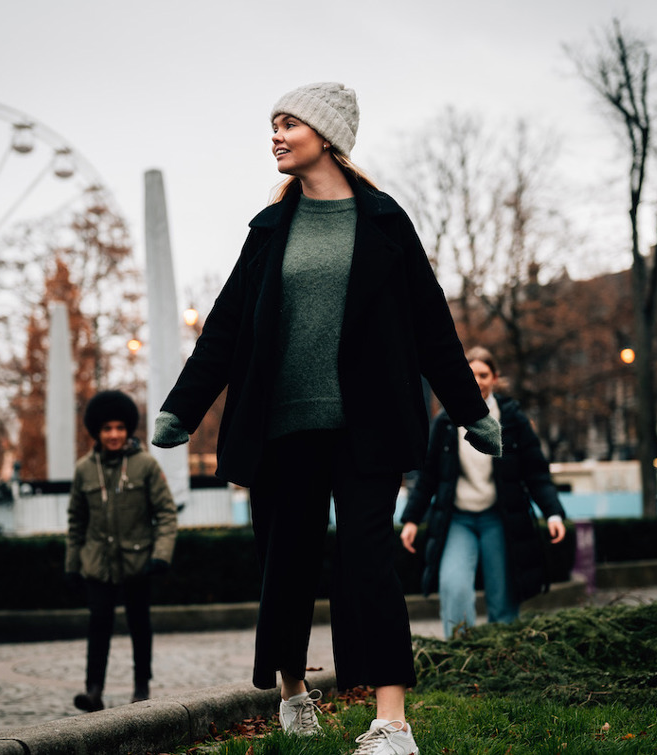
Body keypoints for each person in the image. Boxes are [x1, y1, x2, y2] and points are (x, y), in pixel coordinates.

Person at [150, 82, 501, 755]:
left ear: (327, 135)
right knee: (287, 561)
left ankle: (393, 722)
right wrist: (182, 408)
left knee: (369, 559)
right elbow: (224, 331)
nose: (276, 136)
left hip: (365, 425)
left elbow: (431, 326)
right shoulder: (268, 229)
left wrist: (471, 410)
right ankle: (293, 695)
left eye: (288, 124)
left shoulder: (383, 222)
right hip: (281, 428)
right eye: (273, 126)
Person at [399, 347, 567, 639]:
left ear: (495, 378)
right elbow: (428, 476)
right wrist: (411, 519)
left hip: (497, 519)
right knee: (454, 585)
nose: (476, 380)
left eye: (483, 374)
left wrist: (553, 512)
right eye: (471, 374)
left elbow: (536, 471)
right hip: (459, 520)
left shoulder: (512, 418)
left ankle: (502, 654)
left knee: (503, 591)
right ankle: (460, 652)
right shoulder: (447, 420)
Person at [65, 390, 178, 712]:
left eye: (119, 427)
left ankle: (141, 687)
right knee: (98, 624)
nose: (113, 435)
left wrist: (161, 555)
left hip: (138, 562)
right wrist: (73, 565)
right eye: (106, 429)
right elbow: (76, 521)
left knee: (139, 625)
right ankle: (93, 690)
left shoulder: (144, 466)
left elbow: (166, 513)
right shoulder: (84, 470)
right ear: (97, 432)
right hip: (97, 564)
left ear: (128, 429)